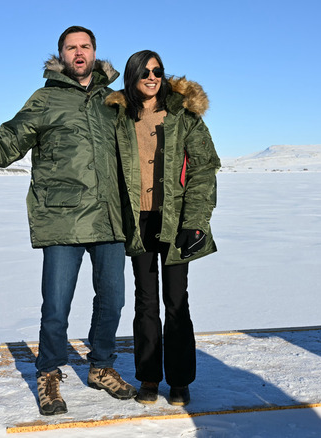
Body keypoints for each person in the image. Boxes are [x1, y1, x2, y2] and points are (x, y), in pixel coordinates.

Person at [0, 26, 136, 416]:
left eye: (85, 46)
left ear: (96, 53)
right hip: (61, 218)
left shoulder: (114, 101)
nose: (79, 52)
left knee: (113, 301)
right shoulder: (45, 99)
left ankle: (101, 367)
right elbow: (7, 145)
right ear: (61, 56)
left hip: (110, 217)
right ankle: (49, 373)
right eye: (71, 48)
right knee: (56, 305)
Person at [105, 50, 220, 406]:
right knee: (145, 302)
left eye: (157, 71)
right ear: (133, 77)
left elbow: (203, 169)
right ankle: (150, 378)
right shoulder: (119, 117)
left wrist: (196, 222)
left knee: (176, 300)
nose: (152, 77)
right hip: (137, 222)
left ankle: (181, 380)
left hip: (175, 222)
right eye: (144, 72)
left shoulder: (183, 115)